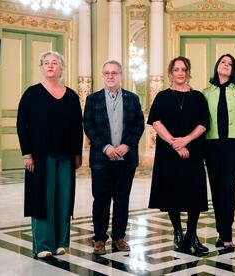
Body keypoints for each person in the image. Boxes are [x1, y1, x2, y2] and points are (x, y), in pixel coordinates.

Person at [16, 51, 83, 258]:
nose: (50, 66)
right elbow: (21, 124)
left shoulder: (71, 95)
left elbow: (77, 126)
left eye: (55, 63)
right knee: (42, 198)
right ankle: (43, 245)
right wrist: (27, 153)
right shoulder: (32, 93)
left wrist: (78, 154)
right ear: (42, 67)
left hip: (66, 155)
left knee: (63, 198)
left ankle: (61, 242)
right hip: (39, 156)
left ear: (61, 68)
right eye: (46, 63)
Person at [147, 56, 210, 253]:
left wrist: (186, 140)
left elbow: (204, 124)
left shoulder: (198, 96)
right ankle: (177, 233)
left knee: (194, 193)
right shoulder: (162, 96)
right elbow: (156, 122)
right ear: (170, 73)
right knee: (171, 192)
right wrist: (175, 143)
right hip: (168, 152)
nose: (180, 73)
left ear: (189, 73)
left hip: (193, 151)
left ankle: (192, 234)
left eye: (184, 69)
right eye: (176, 69)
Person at [83, 60, 144, 255]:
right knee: (100, 199)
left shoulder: (133, 99)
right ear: (103, 76)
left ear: (121, 75)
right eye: (107, 73)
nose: (110, 76)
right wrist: (106, 147)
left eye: (114, 73)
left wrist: (127, 145)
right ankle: (100, 238)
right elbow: (89, 126)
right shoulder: (93, 100)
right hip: (102, 160)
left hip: (126, 160)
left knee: (122, 199)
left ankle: (119, 237)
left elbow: (138, 125)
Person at [203, 54, 235, 248]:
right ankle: (221, 231)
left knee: (227, 188)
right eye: (223, 62)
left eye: (230, 64)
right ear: (217, 66)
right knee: (215, 190)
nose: (226, 65)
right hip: (211, 145)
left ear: (233, 70)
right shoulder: (206, 92)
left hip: (234, 144)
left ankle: (227, 233)